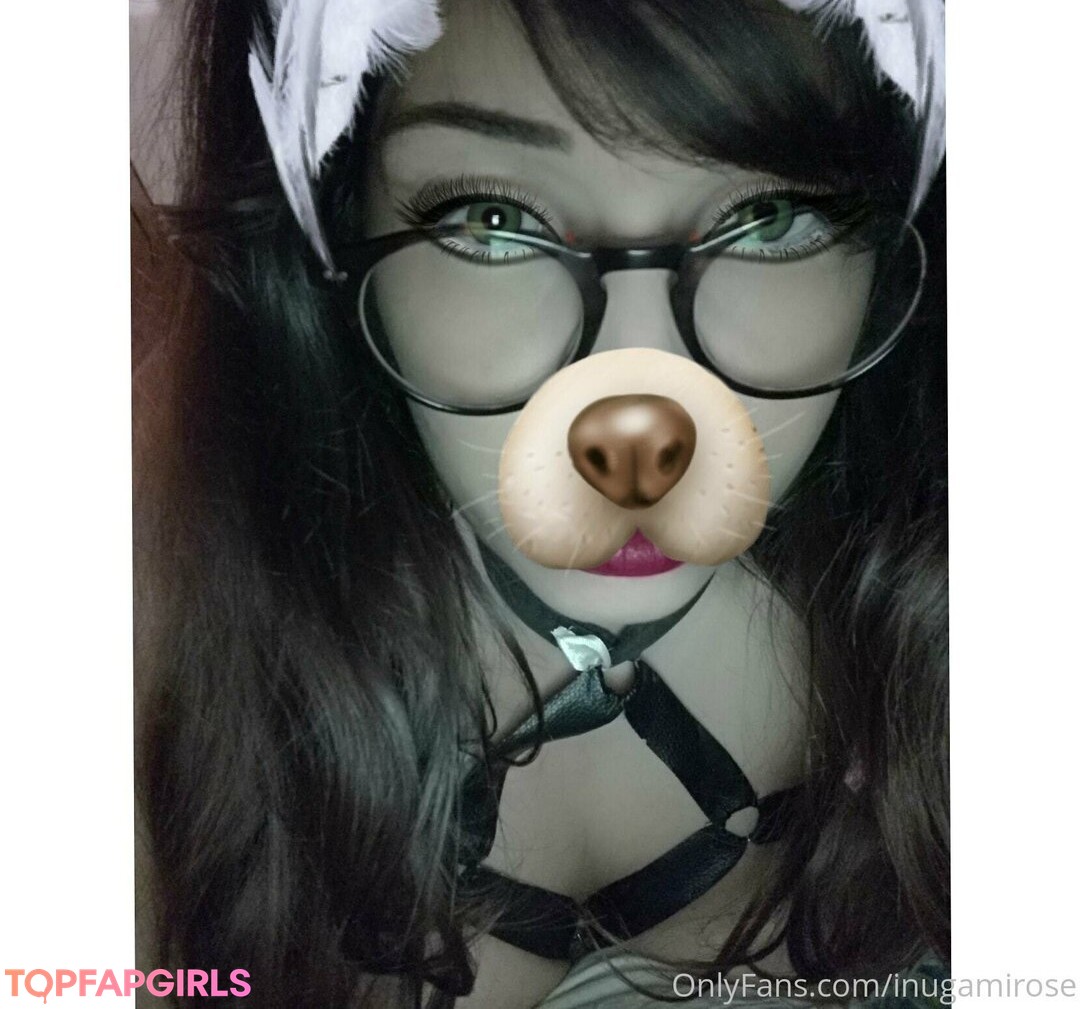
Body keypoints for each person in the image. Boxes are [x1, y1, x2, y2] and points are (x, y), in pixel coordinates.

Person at [134, 0, 948, 1006]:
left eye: (769, 217)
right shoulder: (164, 654)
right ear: (339, 226)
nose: (637, 408)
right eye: (495, 219)